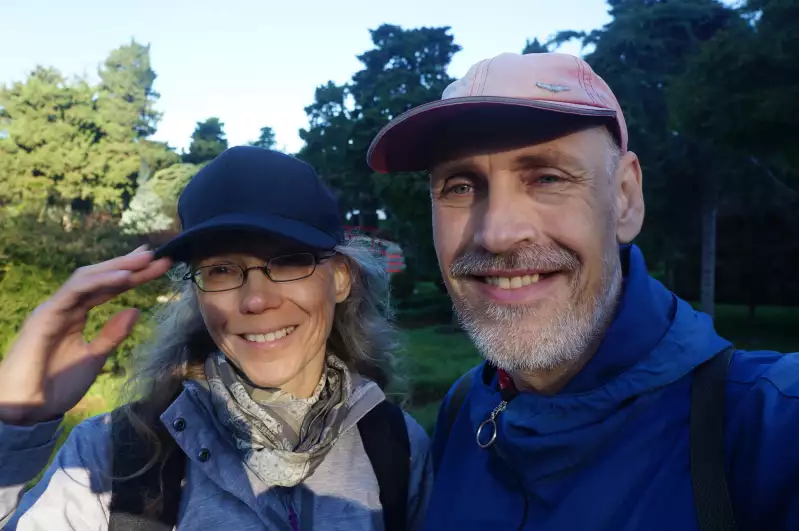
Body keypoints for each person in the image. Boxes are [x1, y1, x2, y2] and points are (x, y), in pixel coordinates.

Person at [367, 52, 799, 531]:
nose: (497, 234)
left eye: (548, 178)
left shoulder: (768, 425)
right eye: (461, 186)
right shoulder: (461, 409)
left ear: (625, 199)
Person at [0, 146, 432, 531]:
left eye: (287, 262)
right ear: (197, 293)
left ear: (340, 279)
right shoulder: (113, 454)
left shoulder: (396, 448)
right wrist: (13, 429)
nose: (257, 299)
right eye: (221, 270)